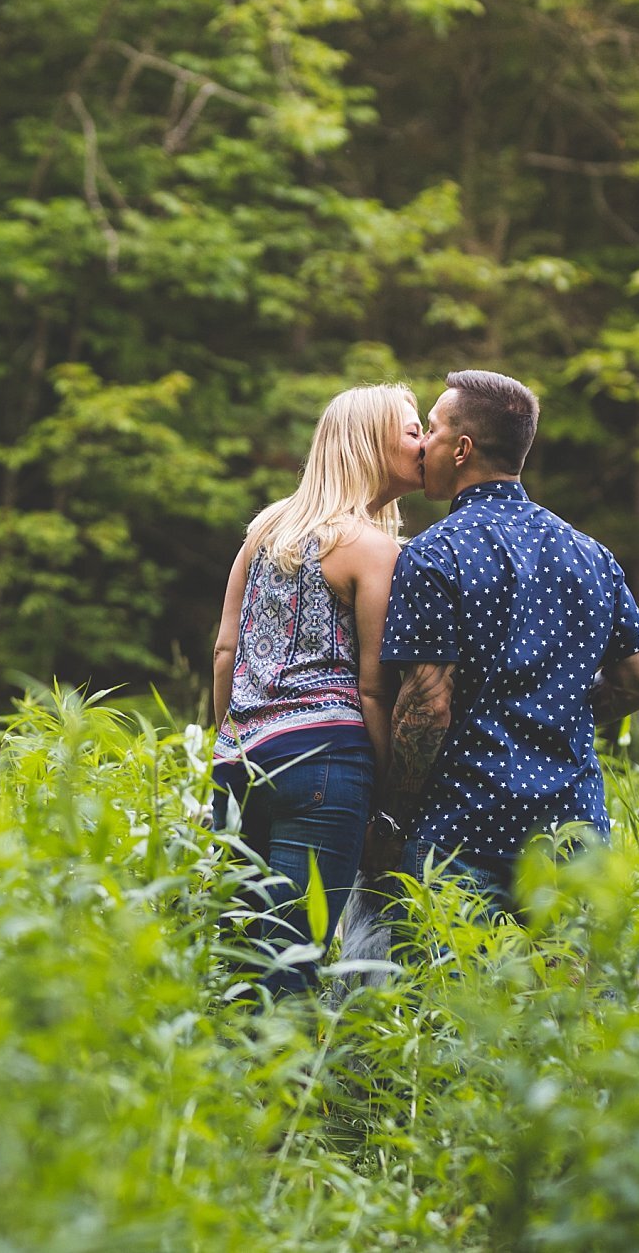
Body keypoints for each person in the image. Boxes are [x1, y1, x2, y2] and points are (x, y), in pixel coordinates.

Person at [364, 369, 639, 917]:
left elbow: (428, 705)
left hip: (461, 834)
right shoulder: (590, 554)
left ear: (461, 448)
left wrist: (390, 820)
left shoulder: (434, 554)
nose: (422, 444)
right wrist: (559, 709)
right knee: (567, 1002)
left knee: (448, 1000)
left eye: (430, 430)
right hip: (573, 835)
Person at [210, 383, 424, 996]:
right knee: (292, 961)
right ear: (369, 443)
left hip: (240, 758)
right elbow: (375, 689)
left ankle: (226, 1083)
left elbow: (226, 651)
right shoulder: (374, 549)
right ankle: (283, 1089)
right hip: (326, 763)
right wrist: (385, 792)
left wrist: (233, 740)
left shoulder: (267, 530)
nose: (422, 442)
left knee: (241, 953)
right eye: (411, 430)